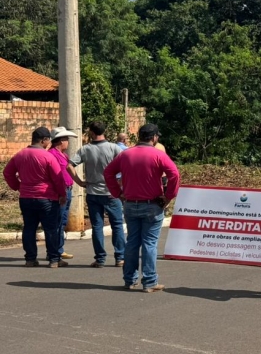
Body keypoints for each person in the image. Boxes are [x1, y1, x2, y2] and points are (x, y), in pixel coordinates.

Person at [103, 124, 180, 292]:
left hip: (130, 204)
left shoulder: (125, 154)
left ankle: (129, 279)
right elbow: (174, 174)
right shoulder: (158, 155)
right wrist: (168, 197)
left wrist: (118, 193)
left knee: (132, 242)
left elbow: (108, 172)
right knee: (149, 243)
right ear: (153, 138)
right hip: (152, 205)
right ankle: (150, 282)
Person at [2, 127, 67, 267]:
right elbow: (58, 179)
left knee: (29, 228)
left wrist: (18, 186)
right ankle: (54, 259)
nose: (49, 143)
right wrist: (62, 194)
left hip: (26, 198)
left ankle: (30, 259)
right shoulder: (48, 156)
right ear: (44, 140)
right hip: (47, 198)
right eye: (48, 140)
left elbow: (7, 173)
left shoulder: (20, 155)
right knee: (51, 229)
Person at [69, 121, 126, 268]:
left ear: (92, 132)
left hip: (93, 192)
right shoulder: (114, 148)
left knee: (97, 226)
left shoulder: (85, 149)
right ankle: (120, 257)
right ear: (104, 131)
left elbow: (69, 166)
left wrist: (80, 182)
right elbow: (126, 165)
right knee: (117, 225)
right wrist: (120, 182)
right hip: (111, 193)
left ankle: (100, 259)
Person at [49, 127, 78, 261]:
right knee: (57, 221)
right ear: (60, 141)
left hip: (68, 189)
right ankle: (56, 250)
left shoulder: (63, 155)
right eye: (66, 139)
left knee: (62, 221)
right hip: (60, 192)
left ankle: (59, 248)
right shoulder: (52, 154)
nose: (68, 142)